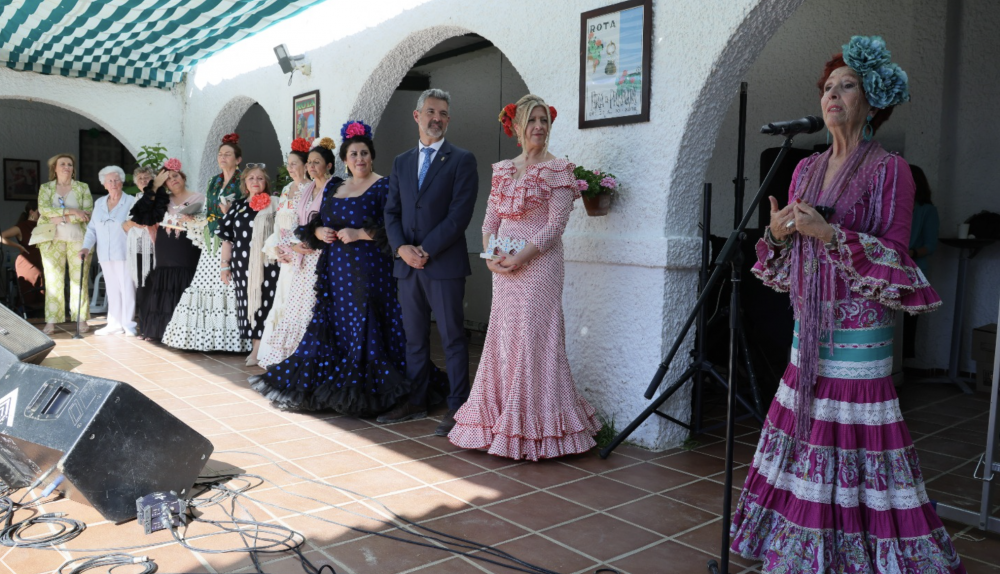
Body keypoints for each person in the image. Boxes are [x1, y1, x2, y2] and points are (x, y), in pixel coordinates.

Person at [728, 36, 965, 573]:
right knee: (805, 438)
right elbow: (785, 260)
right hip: (807, 329)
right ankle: (802, 550)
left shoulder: (892, 171)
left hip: (859, 335)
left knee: (853, 444)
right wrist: (780, 233)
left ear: (872, 99)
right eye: (827, 87)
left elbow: (900, 259)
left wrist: (830, 235)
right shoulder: (804, 170)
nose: (832, 95)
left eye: (847, 85)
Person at [448, 95, 600, 460]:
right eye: (532, 120)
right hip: (504, 266)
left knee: (535, 339)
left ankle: (538, 430)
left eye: (544, 121)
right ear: (517, 127)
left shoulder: (559, 169)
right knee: (504, 338)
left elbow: (555, 226)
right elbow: (489, 222)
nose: (539, 127)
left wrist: (520, 257)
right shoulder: (503, 169)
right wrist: (491, 258)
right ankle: (498, 422)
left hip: (540, 266)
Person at [254, 123, 418, 415]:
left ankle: (368, 393)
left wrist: (359, 234)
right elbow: (313, 223)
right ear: (344, 160)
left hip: (369, 271)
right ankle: (333, 387)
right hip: (335, 272)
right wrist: (319, 233)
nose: (360, 159)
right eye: (353, 154)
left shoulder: (384, 185)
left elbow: (395, 226)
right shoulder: (337, 187)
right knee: (336, 324)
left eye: (365, 153)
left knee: (365, 323)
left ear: (372, 156)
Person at [378, 89, 479, 436]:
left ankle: (458, 406)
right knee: (415, 339)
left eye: (443, 113)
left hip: (444, 265)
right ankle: (417, 399)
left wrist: (425, 249)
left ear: (448, 120)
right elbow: (391, 212)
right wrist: (402, 249)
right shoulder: (401, 161)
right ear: (416, 115)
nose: (437, 118)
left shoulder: (462, 160)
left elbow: (459, 215)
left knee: (452, 338)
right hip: (407, 266)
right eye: (431, 111)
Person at [162, 134, 249, 353]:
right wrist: (195, 218)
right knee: (203, 284)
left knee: (229, 285)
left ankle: (233, 341)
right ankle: (203, 340)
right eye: (220, 154)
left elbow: (249, 207)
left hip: (235, 239)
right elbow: (210, 211)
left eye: (227, 154)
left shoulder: (245, 180)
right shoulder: (214, 181)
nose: (222, 157)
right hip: (212, 237)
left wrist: (231, 215)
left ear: (238, 159)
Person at [255, 139, 332, 368]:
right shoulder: (292, 190)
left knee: (308, 305)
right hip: (293, 254)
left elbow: (310, 223)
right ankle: (285, 355)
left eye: (296, 163)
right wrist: (282, 247)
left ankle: (310, 357)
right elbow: (286, 225)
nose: (291, 168)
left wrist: (297, 243)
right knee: (289, 305)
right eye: (288, 164)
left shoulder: (322, 189)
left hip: (312, 253)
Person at [216, 165, 280, 366]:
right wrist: (224, 266)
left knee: (265, 303)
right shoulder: (238, 206)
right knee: (248, 304)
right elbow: (227, 238)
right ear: (245, 183)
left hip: (268, 264)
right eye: (251, 178)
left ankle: (259, 349)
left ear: (266, 183)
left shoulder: (275, 205)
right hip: (243, 265)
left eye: (260, 178)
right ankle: (256, 346)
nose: (255, 181)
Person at [135, 160, 203, 341]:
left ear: (183, 177)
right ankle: (160, 331)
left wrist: (193, 220)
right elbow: (142, 214)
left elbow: (206, 223)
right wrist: (155, 184)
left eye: (175, 176)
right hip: (165, 247)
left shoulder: (199, 198)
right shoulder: (162, 201)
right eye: (167, 179)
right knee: (164, 283)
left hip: (188, 248)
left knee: (185, 282)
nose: (173, 180)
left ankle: (185, 333)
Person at [36, 153, 93, 334]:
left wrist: (60, 216)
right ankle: (51, 322)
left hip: (78, 239)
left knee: (79, 280)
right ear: (55, 168)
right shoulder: (46, 188)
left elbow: (88, 213)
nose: (67, 167)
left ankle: (81, 319)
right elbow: (44, 210)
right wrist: (73, 211)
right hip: (51, 241)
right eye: (63, 164)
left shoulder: (82, 187)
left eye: (69, 164)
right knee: (53, 281)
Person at [79, 166, 138, 336]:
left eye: (116, 180)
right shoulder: (99, 203)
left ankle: (128, 324)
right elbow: (92, 229)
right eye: (109, 181)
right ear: (104, 184)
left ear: (122, 182)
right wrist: (85, 247)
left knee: (127, 288)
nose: (113, 183)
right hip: (105, 254)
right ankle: (114, 323)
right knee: (112, 289)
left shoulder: (131, 201)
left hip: (125, 252)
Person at [123, 166, 165, 337]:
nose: (143, 181)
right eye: (140, 178)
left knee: (157, 288)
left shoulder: (160, 198)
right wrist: (133, 223)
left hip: (156, 248)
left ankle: (158, 328)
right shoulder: (134, 199)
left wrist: (136, 221)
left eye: (147, 178)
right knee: (143, 289)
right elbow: (125, 225)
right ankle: (146, 327)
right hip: (138, 250)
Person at [904, 165, 940, 358]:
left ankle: (902, 368)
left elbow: (930, 246)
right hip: (891, 270)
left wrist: (911, 252)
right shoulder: (893, 205)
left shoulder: (927, 211)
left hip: (913, 271)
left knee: (908, 321)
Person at [0, 201, 44, 311]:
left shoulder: (43, 226)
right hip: (27, 263)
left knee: (43, 292)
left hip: (42, 262)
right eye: (40, 211)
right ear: (32, 212)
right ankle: (25, 319)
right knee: (28, 292)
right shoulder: (21, 227)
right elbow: (1, 237)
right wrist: (18, 246)